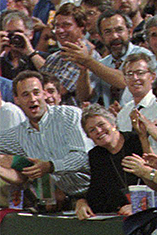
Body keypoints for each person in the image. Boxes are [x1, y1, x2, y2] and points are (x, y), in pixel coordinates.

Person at [0, 71, 90, 199]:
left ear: (44, 93)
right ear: (17, 100)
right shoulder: (19, 134)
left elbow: (81, 157)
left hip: (97, 190)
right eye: (25, 95)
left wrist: (51, 166)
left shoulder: (70, 115)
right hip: (70, 199)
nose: (32, 99)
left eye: (36, 93)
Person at [75, 104, 148, 219]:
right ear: (89, 137)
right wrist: (82, 202)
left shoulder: (136, 141)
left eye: (101, 125)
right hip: (118, 216)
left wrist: (137, 206)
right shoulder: (95, 155)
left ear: (113, 124)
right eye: (92, 130)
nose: (98, 131)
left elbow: (155, 181)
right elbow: (96, 193)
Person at [40, 3, 99, 106]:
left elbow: (61, 89)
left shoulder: (89, 56)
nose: (59, 30)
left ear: (81, 27)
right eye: (57, 26)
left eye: (66, 25)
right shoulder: (53, 57)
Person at [0, 11, 46, 80]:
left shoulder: (43, 58)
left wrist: (30, 53)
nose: (14, 37)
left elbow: (51, 77)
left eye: (18, 32)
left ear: (31, 34)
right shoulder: (2, 60)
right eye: (10, 33)